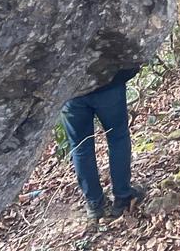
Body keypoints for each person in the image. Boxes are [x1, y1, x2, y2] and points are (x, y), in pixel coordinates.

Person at [61, 66, 146, 224]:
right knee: (118, 138)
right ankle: (122, 196)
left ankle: (94, 203)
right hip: (106, 82)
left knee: (80, 147)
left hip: (71, 90)